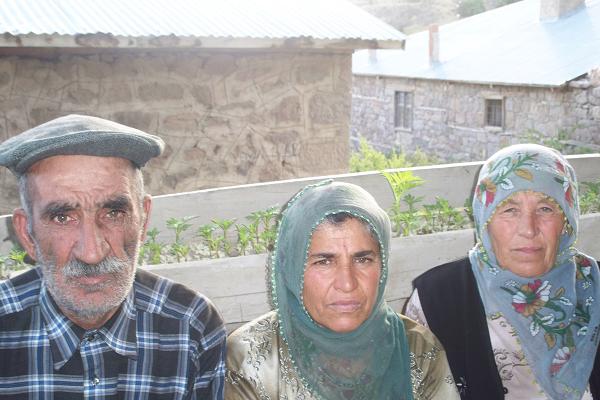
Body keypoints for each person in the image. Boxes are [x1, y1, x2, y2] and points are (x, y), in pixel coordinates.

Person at [0, 114, 226, 399]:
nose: (92, 253)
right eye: (62, 217)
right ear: (27, 233)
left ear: (143, 221)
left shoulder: (191, 326)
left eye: (114, 213)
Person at [225, 180, 459, 400]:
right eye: (324, 262)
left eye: (363, 259)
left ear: (383, 266)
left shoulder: (417, 349)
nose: (347, 284)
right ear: (292, 270)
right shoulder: (252, 358)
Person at [405, 143, 600, 399]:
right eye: (510, 210)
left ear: (567, 220)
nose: (528, 229)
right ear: (485, 219)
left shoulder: (593, 285)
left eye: (545, 208)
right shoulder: (437, 300)